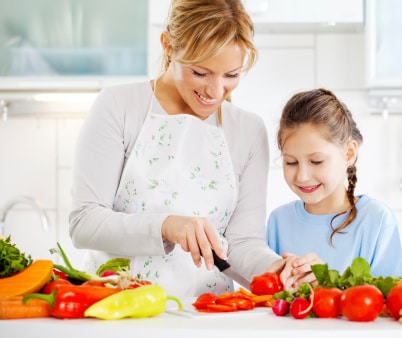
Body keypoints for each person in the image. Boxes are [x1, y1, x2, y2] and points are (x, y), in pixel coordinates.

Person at [69, 0, 293, 297]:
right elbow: (84, 222)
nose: (215, 92)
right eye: (200, 72)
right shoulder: (119, 106)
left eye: (231, 75)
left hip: (210, 313)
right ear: (168, 46)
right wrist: (166, 226)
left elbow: (241, 244)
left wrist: (279, 271)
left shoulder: (248, 131)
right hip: (117, 306)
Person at [266, 88, 402, 284]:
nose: (303, 176)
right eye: (291, 162)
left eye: (316, 161)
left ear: (348, 153)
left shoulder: (376, 220)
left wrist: (329, 286)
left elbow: (391, 299)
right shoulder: (278, 222)